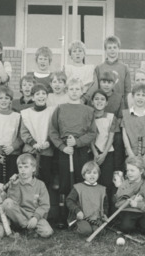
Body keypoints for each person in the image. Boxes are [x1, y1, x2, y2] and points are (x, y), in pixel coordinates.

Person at [49, 78, 96, 225]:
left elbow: (92, 133)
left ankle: (80, 215)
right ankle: (63, 216)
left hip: (80, 150)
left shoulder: (88, 110)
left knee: (81, 180)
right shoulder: (60, 108)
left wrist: (77, 142)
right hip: (65, 151)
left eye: (77, 89)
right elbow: (53, 131)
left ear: (82, 91)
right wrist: (63, 147)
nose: (74, 92)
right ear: (67, 90)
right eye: (71, 89)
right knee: (64, 182)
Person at [3, 153, 53, 238]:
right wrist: (14, 186)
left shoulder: (40, 184)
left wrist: (36, 218)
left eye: (26, 167)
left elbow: (44, 205)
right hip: (20, 215)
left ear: (33, 168)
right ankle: (27, 228)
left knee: (47, 232)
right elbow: (13, 202)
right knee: (7, 203)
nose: (23, 170)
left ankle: (27, 228)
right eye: (20, 167)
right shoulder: (15, 182)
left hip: (34, 215)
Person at [90, 89, 117, 213]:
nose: (99, 101)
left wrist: (104, 154)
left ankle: (106, 213)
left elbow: (111, 137)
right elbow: (89, 136)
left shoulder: (111, 117)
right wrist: (95, 153)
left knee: (106, 183)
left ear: (106, 103)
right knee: (93, 181)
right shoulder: (88, 116)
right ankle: (93, 211)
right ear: (92, 102)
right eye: (96, 99)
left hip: (107, 153)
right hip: (93, 153)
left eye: (102, 99)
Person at [83, 36, 131, 104]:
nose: (112, 50)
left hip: (119, 104)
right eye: (109, 48)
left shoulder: (124, 68)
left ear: (118, 49)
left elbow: (128, 90)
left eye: (115, 47)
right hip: (102, 104)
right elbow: (95, 88)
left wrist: (127, 106)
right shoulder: (99, 68)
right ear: (105, 50)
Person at [115, 156, 145, 234]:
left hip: (143, 212)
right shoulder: (124, 185)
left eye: (132, 170)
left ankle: (139, 225)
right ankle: (132, 225)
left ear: (141, 171)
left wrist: (137, 204)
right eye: (128, 170)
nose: (129, 173)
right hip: (128, 212)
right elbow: (117, 203)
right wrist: (130, 202)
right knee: (126, 227)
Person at [66, 161, 108, 236]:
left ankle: (93, 227)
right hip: (82, 218)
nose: (92, 175)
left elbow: (105, 204)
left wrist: (105, 214)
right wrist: (77, 211)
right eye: (89, 173)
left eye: (95, 173)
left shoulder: (102, 189)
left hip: (96, 218)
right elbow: (69, 201)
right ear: (83, 175)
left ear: (98, 174)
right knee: (86, 231)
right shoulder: (78, 187)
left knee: (99, 232)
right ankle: (76, 227)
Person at [94, 71, 125, 172]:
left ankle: (117, 170)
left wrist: (111, 125)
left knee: (119, 139)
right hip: (97, 126)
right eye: (103, 82)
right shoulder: (95, 96)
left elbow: (121, 116)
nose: (106, 85)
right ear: (99, 83)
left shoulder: (119, 97)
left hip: (112, 127)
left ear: (113, 84)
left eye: (109, 82)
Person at [122, 83, 145, 165]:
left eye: (143, 95)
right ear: (132, 96)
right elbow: (124, 135)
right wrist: (130, 153)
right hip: (131, 153)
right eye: (138, 94)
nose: (140, 98)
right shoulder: (126, 114)